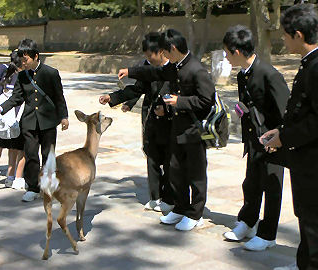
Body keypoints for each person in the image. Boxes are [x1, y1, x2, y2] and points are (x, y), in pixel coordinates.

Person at [118, 29, 216, 231]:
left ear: (172, 49)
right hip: (177, 129)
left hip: (194, 131)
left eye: (165, 52)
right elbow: (155, 73)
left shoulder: (196, 69)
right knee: (176, 171)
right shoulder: (175, 66)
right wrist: (131, 71)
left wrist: (180, 101)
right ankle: (180, 208)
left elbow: (207, 100)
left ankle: (195, 213)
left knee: (196, 174)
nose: (164, 56)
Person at [221, 25, 289, 251]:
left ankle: (268, 234)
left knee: (271, 187)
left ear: (237, 51)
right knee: (251, 184)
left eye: (227, 53)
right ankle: (248, 222)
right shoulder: (243, 74)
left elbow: (285, 112)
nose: (226, 57)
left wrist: (278, 139)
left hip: (272, 143)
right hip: (254, 140)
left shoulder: (270, 74)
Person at [261, 4, 318, 270]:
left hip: (313, 164)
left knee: (313, 222)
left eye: (285, 35)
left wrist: (286, 138)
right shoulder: (310, 64)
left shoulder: (316, 68)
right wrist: (282, 132)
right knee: (306, 220)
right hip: (305, 160)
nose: (282, 40)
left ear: (297, 35)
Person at [99, 32, 174, 212]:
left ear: (162, 52)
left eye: (150, 56)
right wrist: (112, 97)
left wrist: (168, 109)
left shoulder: (174, 68)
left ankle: (170, 197)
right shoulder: (148, 68)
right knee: (152, 157)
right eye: (146, 56)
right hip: (150, 118)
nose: (147, 59)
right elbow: (136, 89)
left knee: (171, 160)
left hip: (171, 120)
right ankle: (155, 196)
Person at [0, 39, 69, 202]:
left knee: (48, 155)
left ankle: (48, 187)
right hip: (30, 121)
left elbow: (59, 97)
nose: (23, 63)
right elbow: (16, 98)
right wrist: (0, 108)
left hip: (48, 121)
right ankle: (32, 187)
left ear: (35, 56)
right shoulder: (22, 76)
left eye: (26, 59)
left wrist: (64, 116)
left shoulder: (51, 73)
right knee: (31, 155)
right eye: (21, 60)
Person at [0, 51, 26, 189]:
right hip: (3, 113)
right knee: (2, 143)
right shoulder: (4, 71)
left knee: (13, 146)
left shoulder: (16, 76)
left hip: (10, 114)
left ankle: (11, 176)